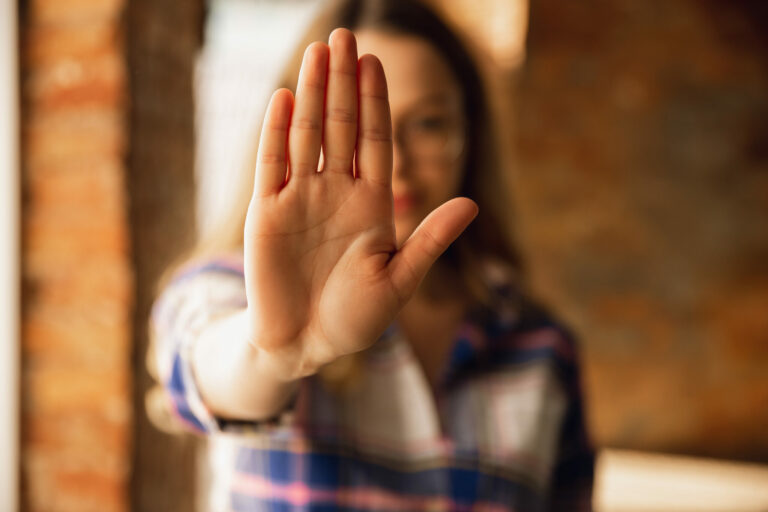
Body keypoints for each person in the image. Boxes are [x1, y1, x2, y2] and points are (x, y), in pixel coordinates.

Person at [147, 0, 595, 510]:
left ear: (470, 136)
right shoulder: (235, 290)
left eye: (428, 123)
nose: (398, 161)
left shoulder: (541, 345)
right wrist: (271, 352)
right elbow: (204, 367)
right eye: (364, 125)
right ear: (307, 131)